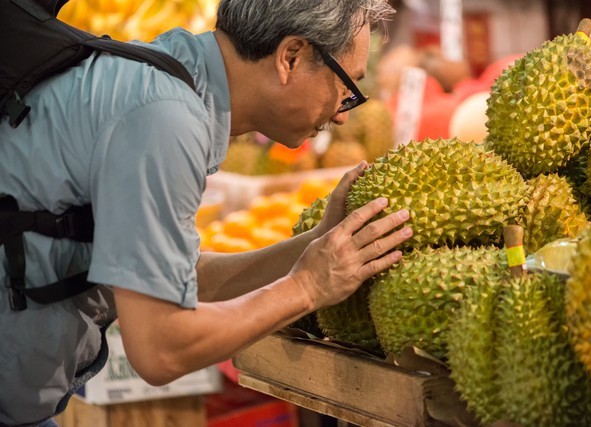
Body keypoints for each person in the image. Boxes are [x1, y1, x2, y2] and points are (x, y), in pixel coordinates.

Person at [0, 0, 412, 425]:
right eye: (348, 88)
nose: (343, 117)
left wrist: (314, 247)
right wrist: (307, 287)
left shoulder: (171, 74)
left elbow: (179, 279)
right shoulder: (165, 117)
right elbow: (161, 347)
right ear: (291, 56)